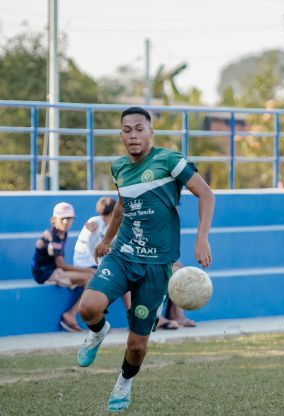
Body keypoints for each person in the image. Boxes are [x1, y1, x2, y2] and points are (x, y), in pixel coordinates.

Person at [76, 107, 214, 413]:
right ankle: (98, 331)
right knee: (88, 307)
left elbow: (206, 194)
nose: (133, 135)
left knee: (137, 346)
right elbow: (123, 206)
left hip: (157, 267)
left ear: (150, 132)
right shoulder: (119, 168)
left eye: (139, 128)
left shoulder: (170, 161)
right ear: (121, 135)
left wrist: (201, 237)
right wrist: (107, 238)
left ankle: (124, 382)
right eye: (127, 130)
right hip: (124, 254)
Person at [32, 202, 96, 332]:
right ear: (53, 220)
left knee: (89, 278)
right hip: (45, 273)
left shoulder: (62, 233)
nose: (67, 222)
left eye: (70, 218)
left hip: (54, 270)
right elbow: (60, 264)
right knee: (90, 278)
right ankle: (70, 315)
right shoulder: (53, 236)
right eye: (63, 218)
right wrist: (88, 269)